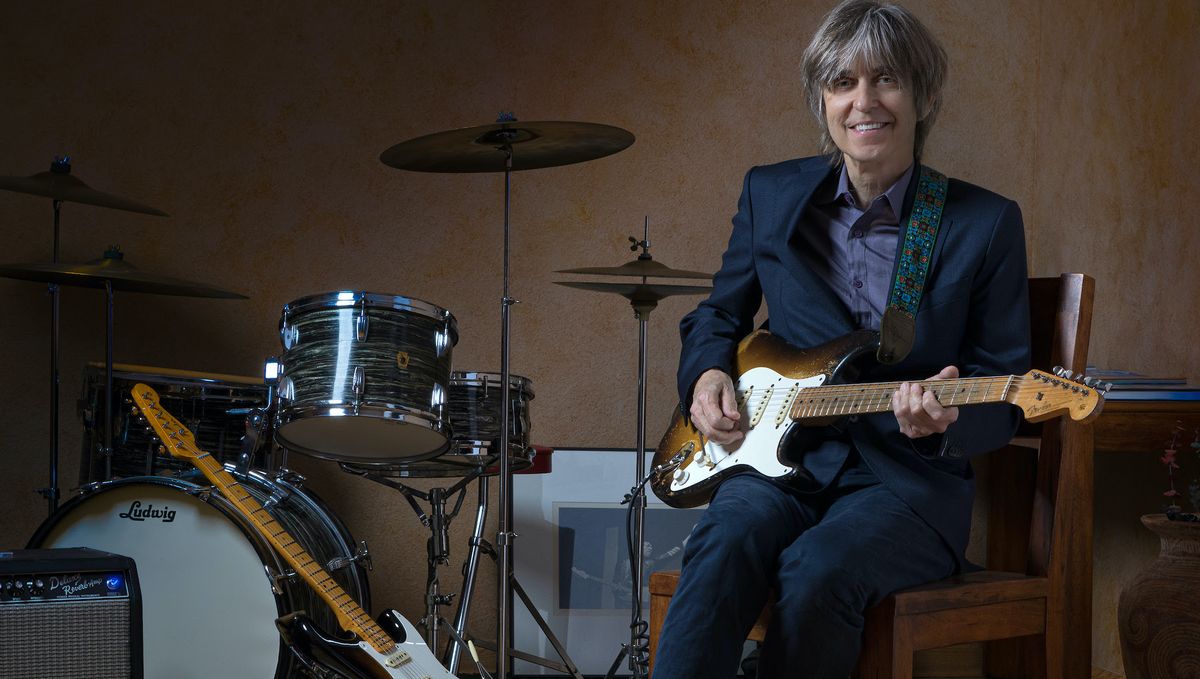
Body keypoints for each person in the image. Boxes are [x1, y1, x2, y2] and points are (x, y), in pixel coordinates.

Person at [651, 1, 1031, 677]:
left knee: (818, 570)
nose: (864, 101)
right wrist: (707, 373)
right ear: (821, 100)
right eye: (842, 83)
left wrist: (946, 419)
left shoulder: (987, 223)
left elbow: (1004, 388)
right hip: (777, 463)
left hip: (906, 485)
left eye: (886, 79)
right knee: (722, 541)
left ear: (925, 95)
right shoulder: (770, 194)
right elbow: (717, 315)